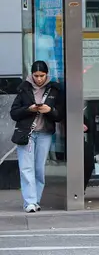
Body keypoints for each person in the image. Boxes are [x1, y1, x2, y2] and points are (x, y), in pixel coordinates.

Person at [10, 61, 65, 212]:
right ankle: (30, 202)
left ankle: (36, 200)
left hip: (45, 133)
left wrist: (50, 110)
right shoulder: (24, 88)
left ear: (47, 74)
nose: (39, 79)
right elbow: (14, 113)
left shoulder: (55, 89)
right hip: (27, 133)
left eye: (42, 76)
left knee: (39, 168)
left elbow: (60, 115)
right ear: (32, 75)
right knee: (26, 168)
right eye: (36, 76)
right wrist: (29, 109)